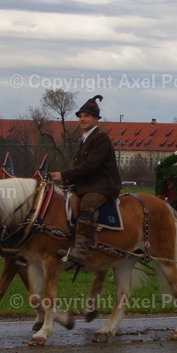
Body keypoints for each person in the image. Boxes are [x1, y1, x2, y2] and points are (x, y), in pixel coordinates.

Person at [51, 95, 123, 269]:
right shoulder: (84, 139)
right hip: (87, 185)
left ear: (96, 119)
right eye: (80, 116)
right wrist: (68, 182)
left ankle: (80, 252)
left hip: (103, 185)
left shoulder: (100, 138)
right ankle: (69, 243)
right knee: (67, 205)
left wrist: (65, 175)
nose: (82, 119)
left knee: (87, 204)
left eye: (87, 116)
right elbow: (81, 166)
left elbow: (91, 165)